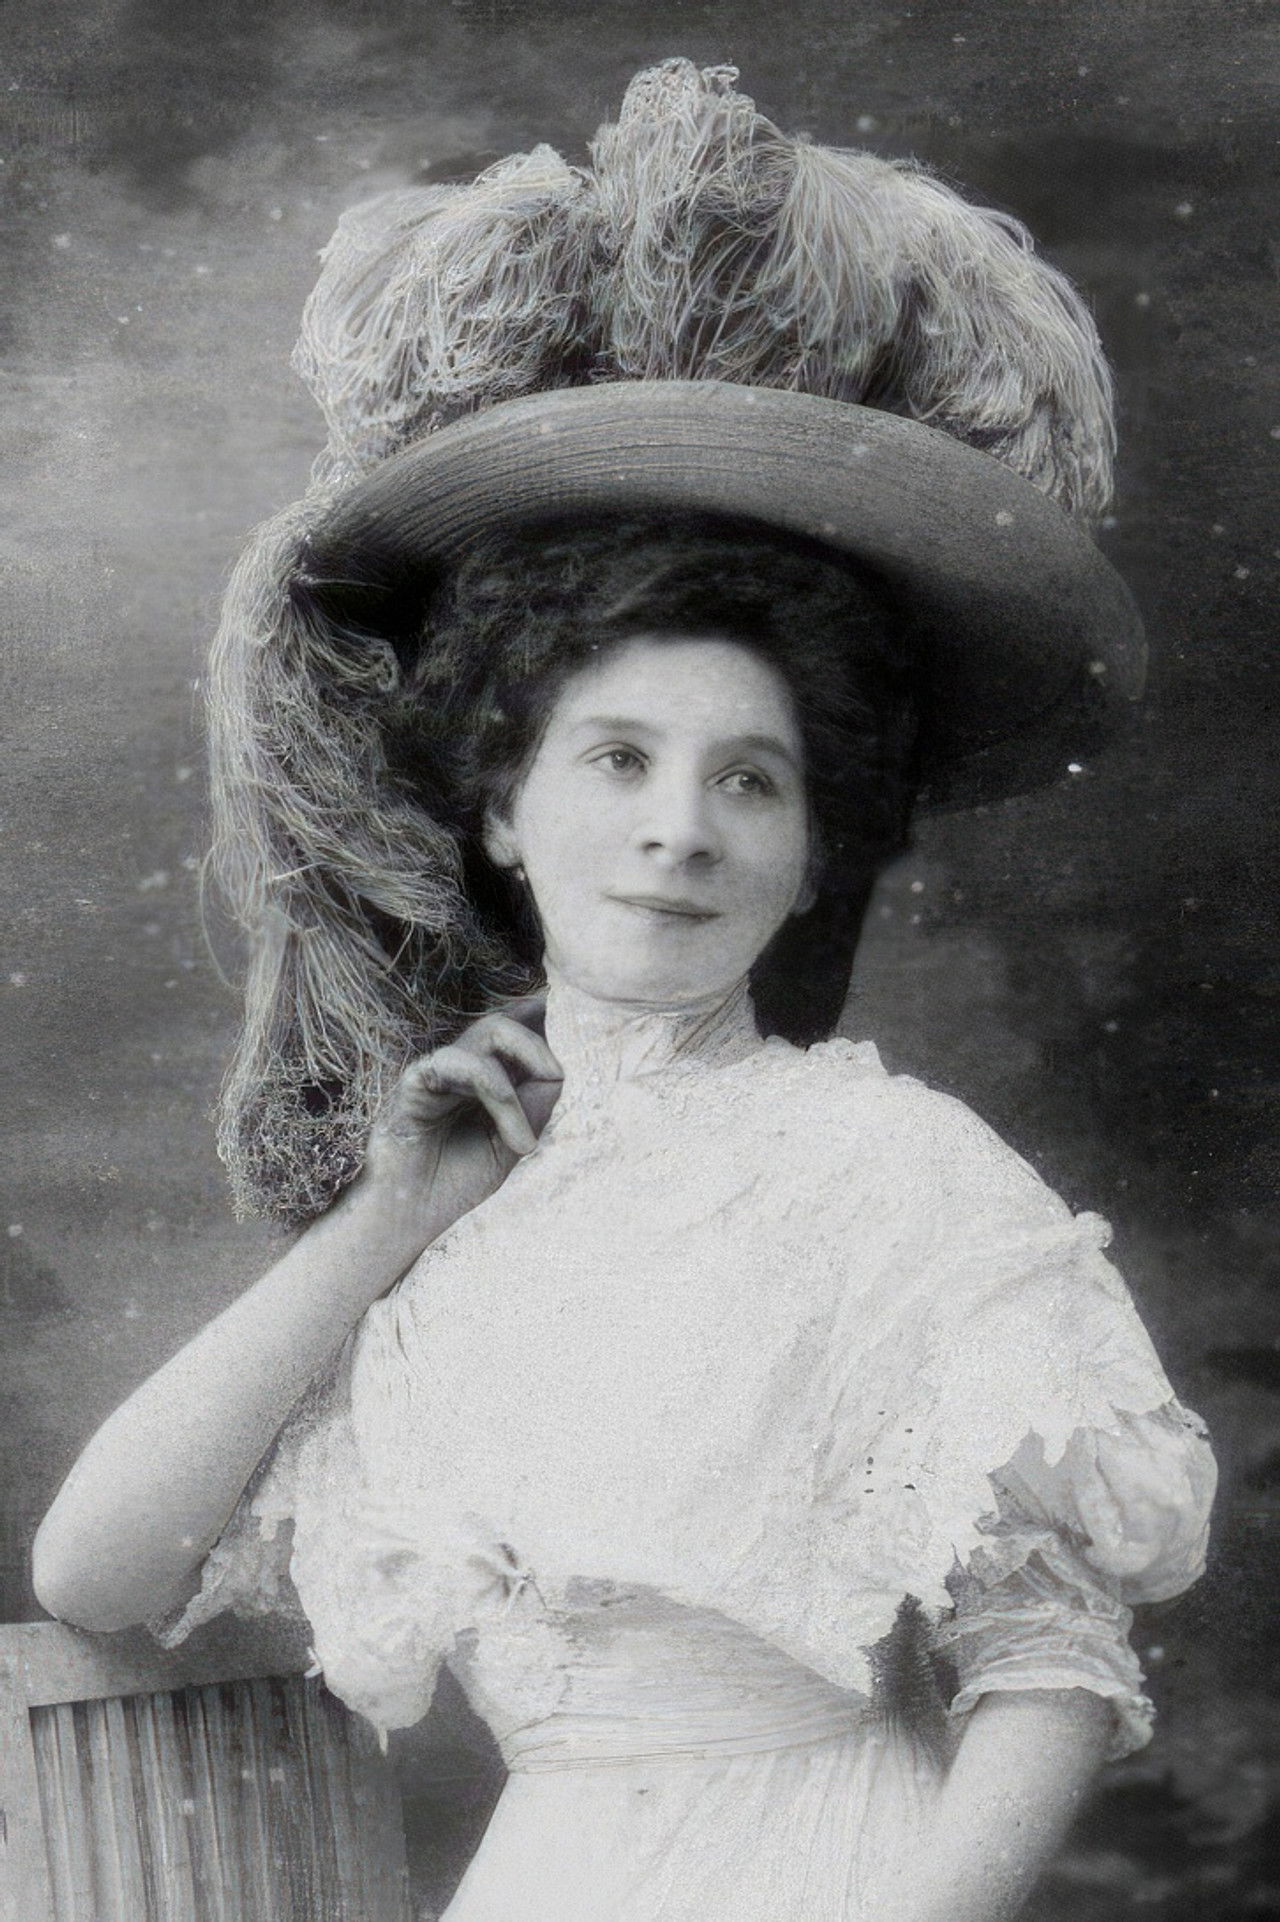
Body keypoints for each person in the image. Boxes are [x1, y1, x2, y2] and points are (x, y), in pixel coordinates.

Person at [33, 60, 1216, 1922]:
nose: (678, 829)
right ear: (506, 811)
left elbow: (1045, 1661)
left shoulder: (893, 1175)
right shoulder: (456, 1217)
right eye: (618, 760)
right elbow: (95, 1570)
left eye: (751, 779)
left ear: (811, 851)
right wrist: (387, 1219)